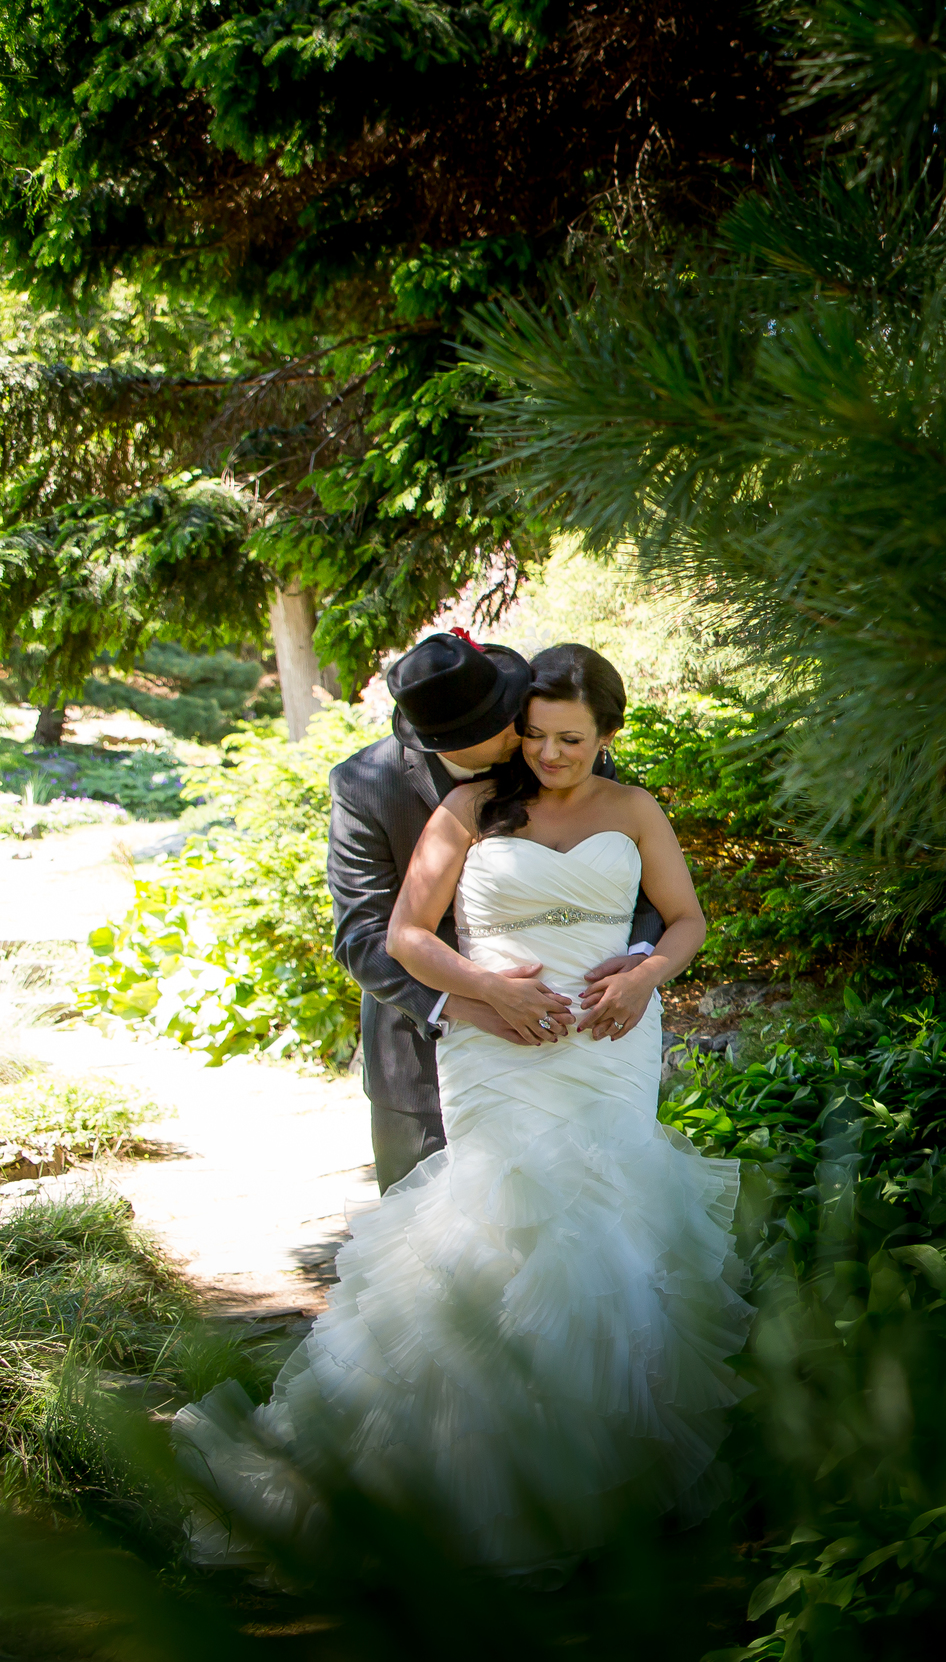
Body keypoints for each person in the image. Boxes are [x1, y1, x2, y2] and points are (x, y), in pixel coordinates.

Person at [175, 644, 751, 1571]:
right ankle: (455, 1480)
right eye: (532, 738)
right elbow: (392, 932)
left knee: (615, 1240)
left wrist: (645, 974)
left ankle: (600, 1482)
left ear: (602, 732)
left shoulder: (629, 798)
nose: (545, 753)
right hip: (491, 1045)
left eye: (567, 738)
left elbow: (680, 916)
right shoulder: (462, 804)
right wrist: (484, 991)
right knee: (489, 1238)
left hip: (607, 1048)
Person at [327, 630, 664, 1192]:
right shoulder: (367, 786)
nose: (531, 739)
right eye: (516, 726)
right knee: (435, 1246)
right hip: (424, 1044)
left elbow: (632, 875)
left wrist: (639, 960)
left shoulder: (554, 751)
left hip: (584, 1044)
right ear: (457, 740)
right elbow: (362, 936)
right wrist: (466, 1001)